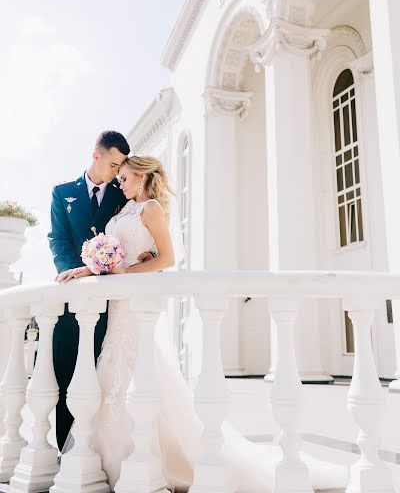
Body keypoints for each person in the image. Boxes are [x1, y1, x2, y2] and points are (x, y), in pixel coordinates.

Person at [59, 155, 348, 493]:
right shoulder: (121, 212)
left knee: (139, 374)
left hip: (135, 303)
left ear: (141, 176)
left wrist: (125, 272)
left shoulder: (150, 208)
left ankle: (150, 462)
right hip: (118, 307)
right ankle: (110, 460)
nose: (119, 183)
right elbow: (116, 258)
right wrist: (91, 266)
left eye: (124, 177)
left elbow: (167, 259)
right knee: (112, 374)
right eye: (118, 178)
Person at [48, 131, 151, 451]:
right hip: (71, 298)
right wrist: (71, 275)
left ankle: (95, 451)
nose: (117, 173)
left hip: (111, 302)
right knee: (66, 372)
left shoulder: (123, 196)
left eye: (121, 168)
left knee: (100, 374)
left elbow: (141, 227)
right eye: (113, 164)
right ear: (97, 156)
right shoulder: (62, 192)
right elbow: (58, 239)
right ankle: (67, 448)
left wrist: (144, 253)